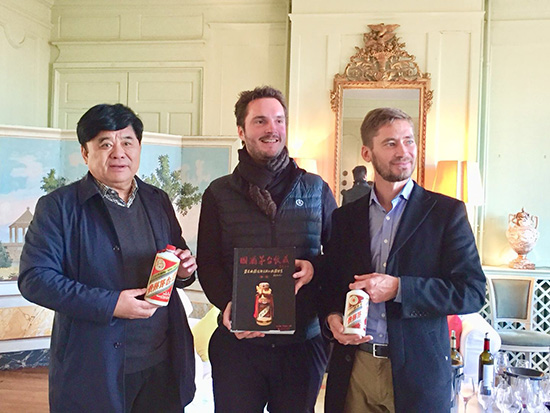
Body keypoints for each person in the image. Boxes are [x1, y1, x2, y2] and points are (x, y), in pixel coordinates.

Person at [18, 103, 198, 412]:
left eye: (127, 142)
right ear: (85, 152)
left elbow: (175, 255)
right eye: (105, 144)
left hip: (161, 360)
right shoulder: (59, 207)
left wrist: (184, 270)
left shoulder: (158, 200)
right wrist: (112, 304)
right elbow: (35, 279)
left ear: (139, 148)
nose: (118, 153)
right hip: (94, 365)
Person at [322, 107, 486, 412]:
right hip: (355, 369)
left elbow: (472, 292)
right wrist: (332, 317)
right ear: (367, 153)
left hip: (419, 374)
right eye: (390, 143)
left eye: (408, 141)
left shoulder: (446, 214)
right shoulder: (344, 218)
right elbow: (331, 285)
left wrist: (399, 288)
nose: (403, 151)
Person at [197, 86, 337, 412]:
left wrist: (314, 268)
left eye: (279, 120)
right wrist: (228, 304)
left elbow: (339, 256)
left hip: (302, 346)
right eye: (260, 120)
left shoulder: (316, 188)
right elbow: (209, 263)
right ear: (241, 131)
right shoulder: (218, 193)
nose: (272, 128)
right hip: (238, 346)